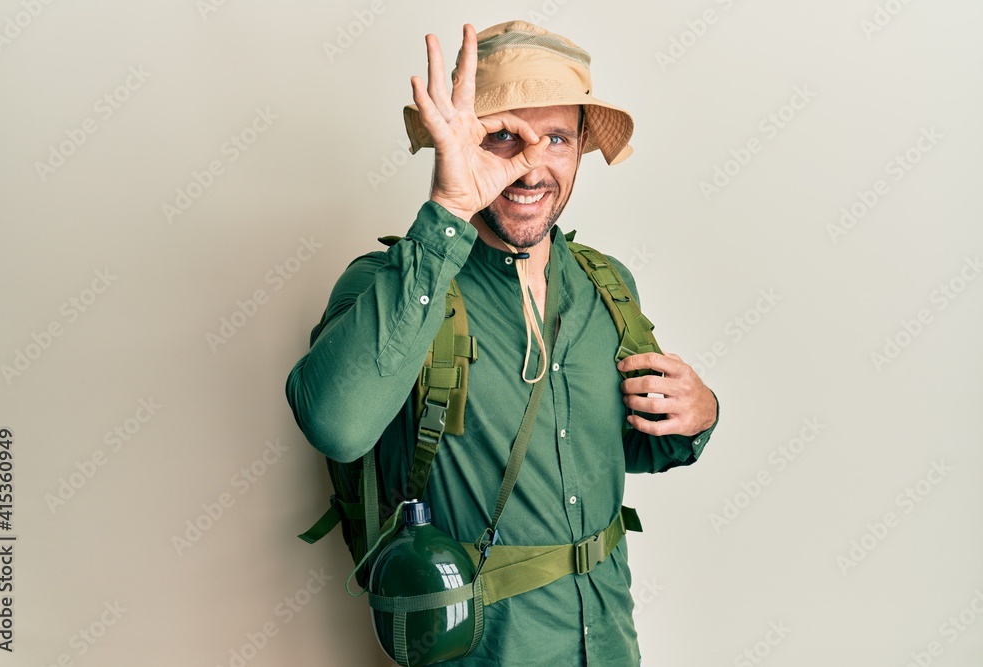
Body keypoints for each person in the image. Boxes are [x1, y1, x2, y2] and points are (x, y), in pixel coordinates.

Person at [286, 20, 719, 666]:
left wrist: (700, 412)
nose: (531, 164)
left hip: (609, 646)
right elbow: (335, 424)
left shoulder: (605, 287)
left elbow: (626, 445)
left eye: (555, 139)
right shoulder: (393, 288)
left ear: (578, 151)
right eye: (502, 137)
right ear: (460, 143)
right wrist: (448, 210)